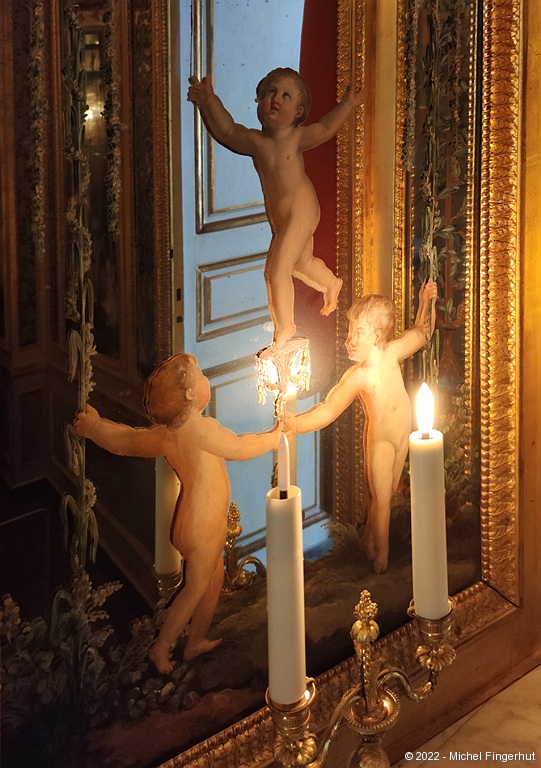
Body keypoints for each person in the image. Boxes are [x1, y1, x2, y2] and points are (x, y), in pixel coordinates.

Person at [74, 353, 282, 674]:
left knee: (213, 579)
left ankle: (196, 639)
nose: (205, 380)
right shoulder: (201, 429)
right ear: (189, 393)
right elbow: (239, 448)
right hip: (202, 524)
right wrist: (273, 439)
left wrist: (95, 427)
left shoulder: (167, 435)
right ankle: (162, 647)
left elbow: (126, 441)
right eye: (200, 376)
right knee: (195, 587)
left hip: (196, 524)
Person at [187, 67, 364, 347]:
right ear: (259, 99)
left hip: (301, 208)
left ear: (298, 112)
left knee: (276, 269)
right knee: (301, 264)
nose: (276, 99)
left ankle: (285, 326)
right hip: (283, 218)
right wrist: (208, 99)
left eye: (285, 96)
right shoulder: (257, 142)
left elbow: (326, 128)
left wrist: (348, 105)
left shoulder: (295, 138)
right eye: (270, 92)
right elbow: (227, 130)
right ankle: (331, 283)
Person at [284, 279, 438, 574]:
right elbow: (329, 409)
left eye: (358, 333)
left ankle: (369, 538)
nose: (349, 340)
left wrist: (425, 301)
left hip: (402, 433)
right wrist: (295, 424)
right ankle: (382, 556)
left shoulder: (393, 352)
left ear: (378, 335)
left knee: (389, 493)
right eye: (350, 331)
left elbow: (422, 333)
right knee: (381, 498)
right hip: (381, 440)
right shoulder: (358, 376)